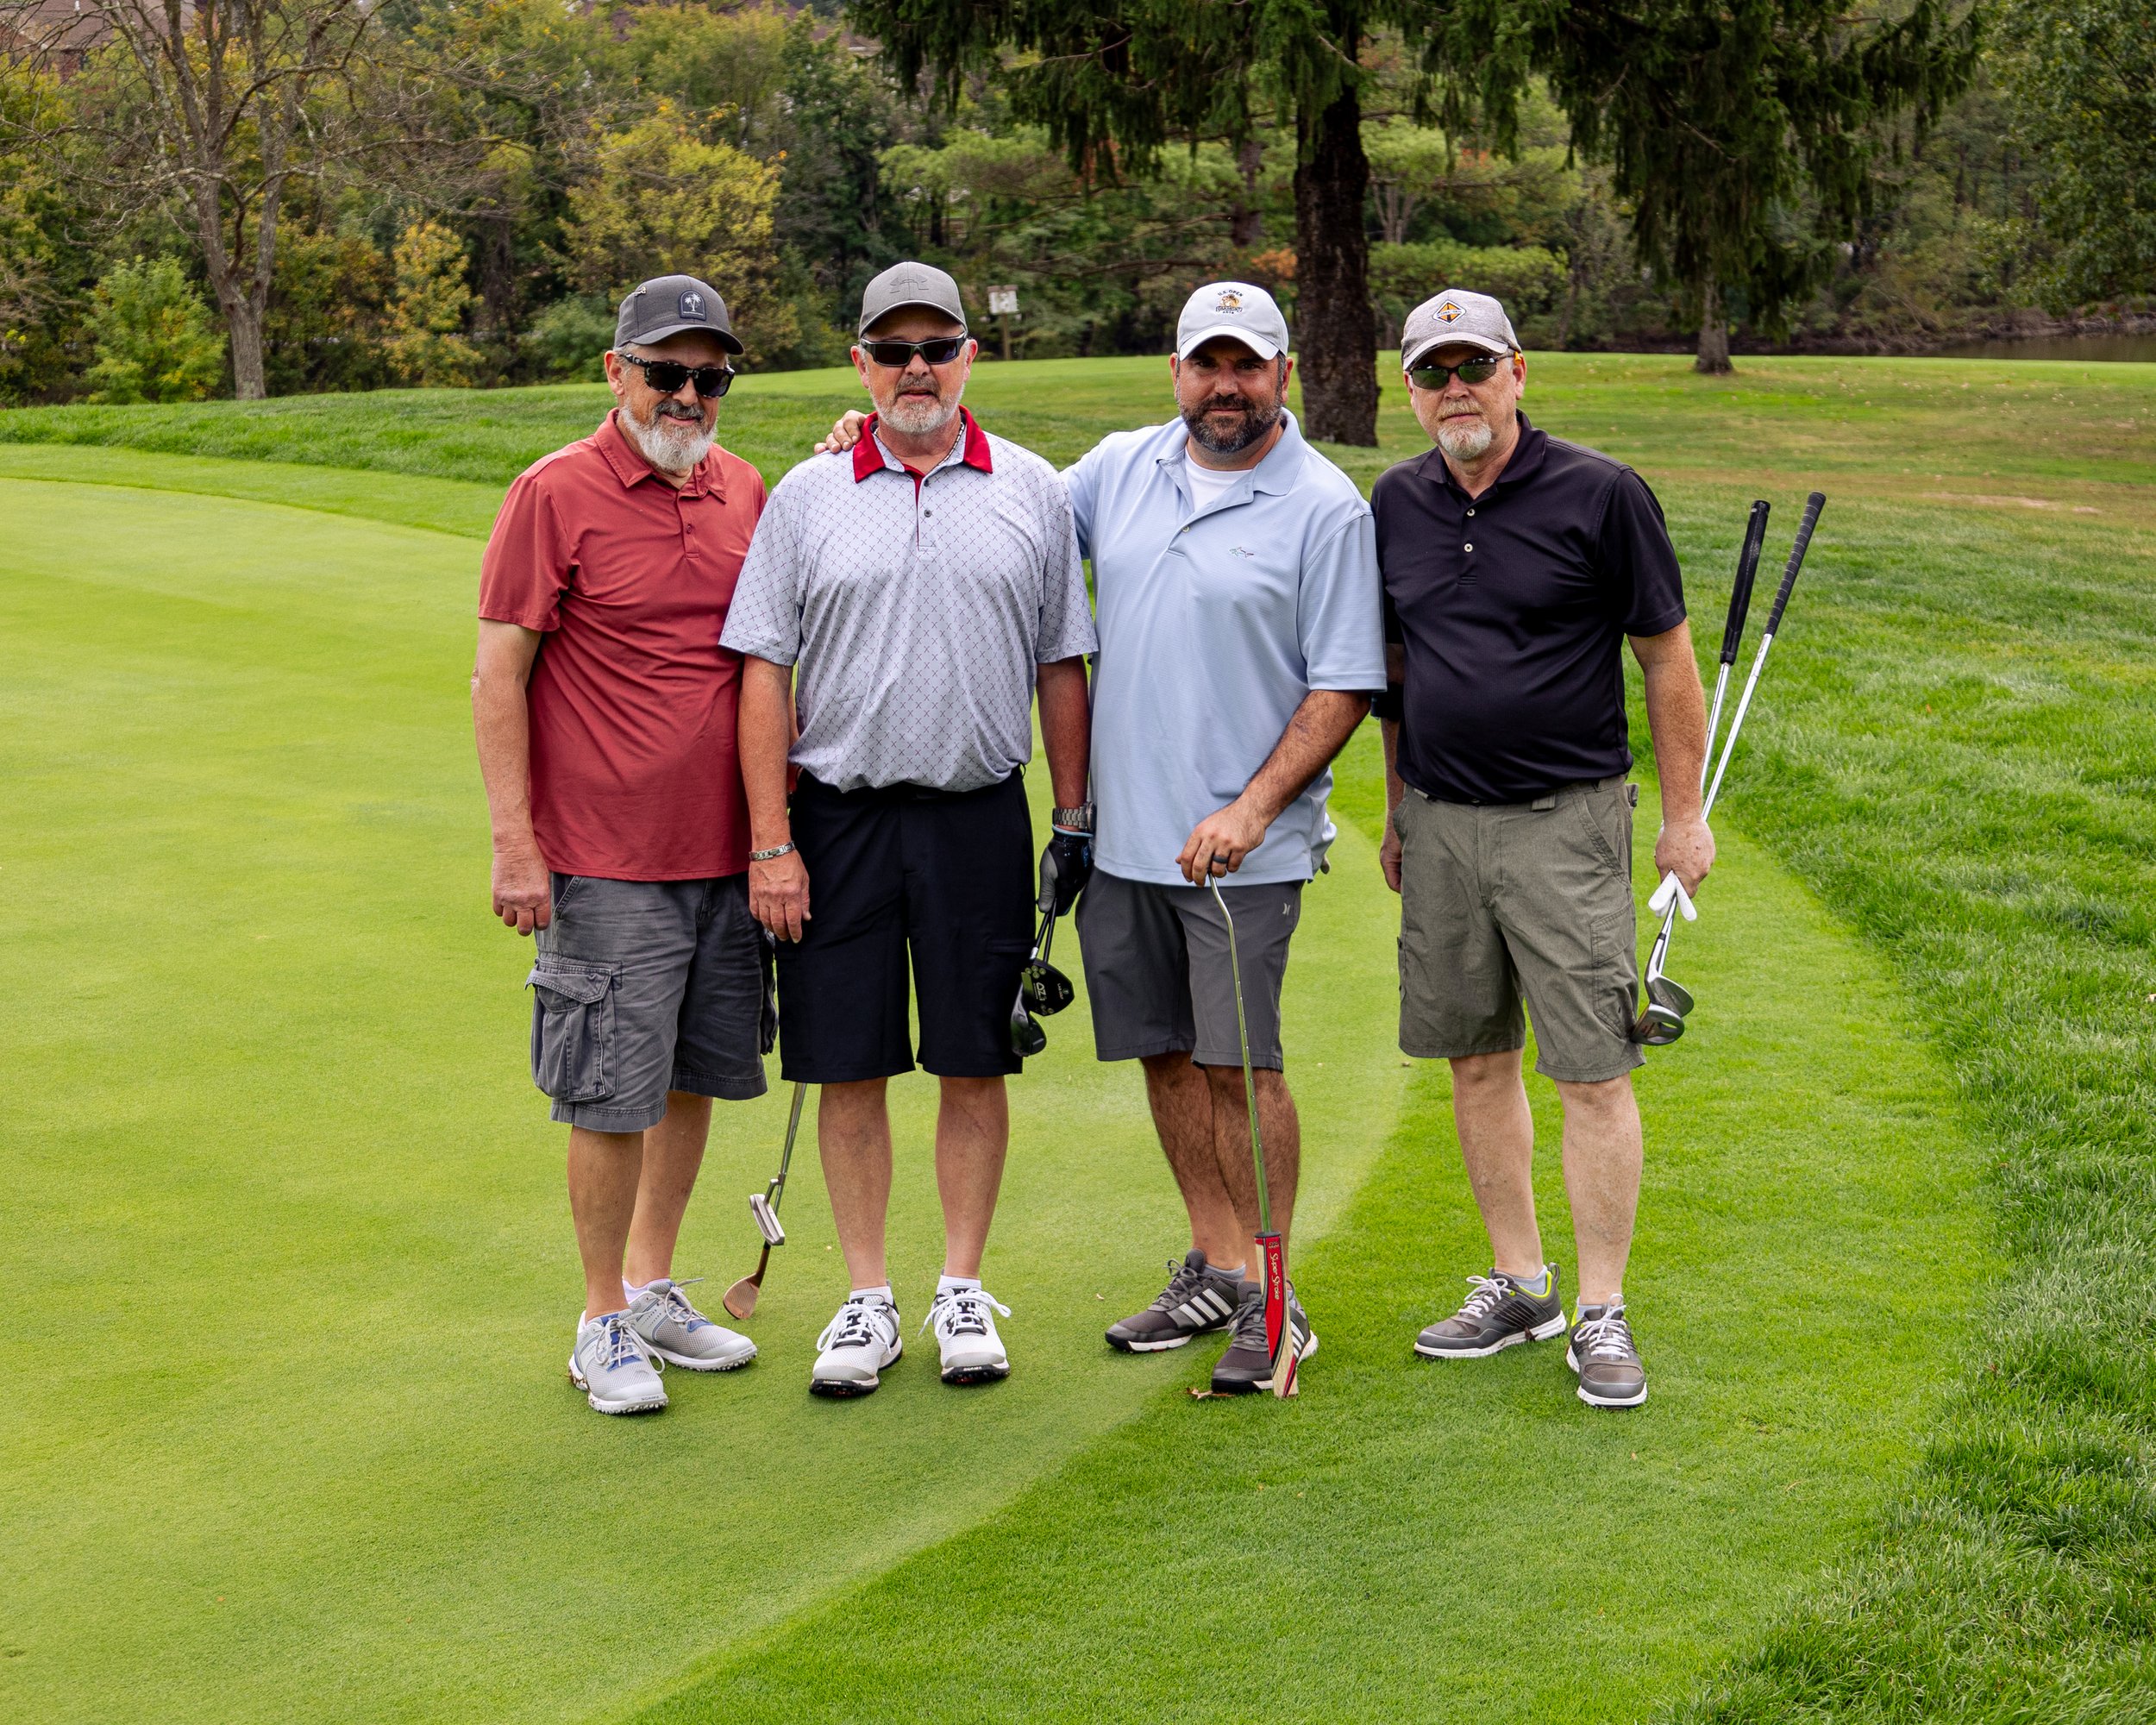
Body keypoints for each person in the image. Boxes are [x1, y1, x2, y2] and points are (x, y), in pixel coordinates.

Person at [816, 281, 1384, 1395]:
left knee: (1240, 1066)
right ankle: (1219, 1263)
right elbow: (995, 507)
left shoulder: (1324, 505)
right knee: (1167, 1057)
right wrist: (873, 432)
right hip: (1124, 842)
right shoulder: (1121, 471)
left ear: (1284, 376)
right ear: (1174, 372)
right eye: (1205, 365)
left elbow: (1344, 685)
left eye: (1248, 365)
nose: (1226, 387)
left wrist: (1255, 806)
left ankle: (1276, 1298)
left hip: (1240, 856)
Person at [722, 261, 1096, 1398]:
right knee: (850, 1065)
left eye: (938, 348)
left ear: (970, 360)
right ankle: (868, 1297)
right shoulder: (809, 494)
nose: (917, 370)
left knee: (974, 1060)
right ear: (862, 366)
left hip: (979, 813)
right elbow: (763, 674)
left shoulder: (1033, 488)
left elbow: (1061, 664)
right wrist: (770, 839)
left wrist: (1072, 816)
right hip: (836, 822)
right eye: (894, 352)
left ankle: (962, 1289)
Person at [1372, 287, 1714, 1409]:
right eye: (1433, 372)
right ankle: (1523, 1284)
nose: (1454, 388)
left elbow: (1666, 658)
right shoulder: (1397, 504)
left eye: (1474, 365)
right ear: (1410, 391)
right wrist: (1395, 807)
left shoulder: (1601, 495)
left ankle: (1604, 1313)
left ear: (1519, 371)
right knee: (1476, 1058)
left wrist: (1683, 814)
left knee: (1592, 1069)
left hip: (1567, 823)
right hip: (1441, 821)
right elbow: (1398, 671)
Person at [473, 274, 769, 1416]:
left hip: (725, 856)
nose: (689, 395)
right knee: (608, 1094)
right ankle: (600, 1318)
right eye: (667, 373)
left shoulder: (745, 489)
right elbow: (498, 676)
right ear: (617, 373)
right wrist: (516, 843)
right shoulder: (553, 493)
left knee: (690, 1077)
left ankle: (651, 1284)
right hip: (602, 858)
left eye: (710, 377)